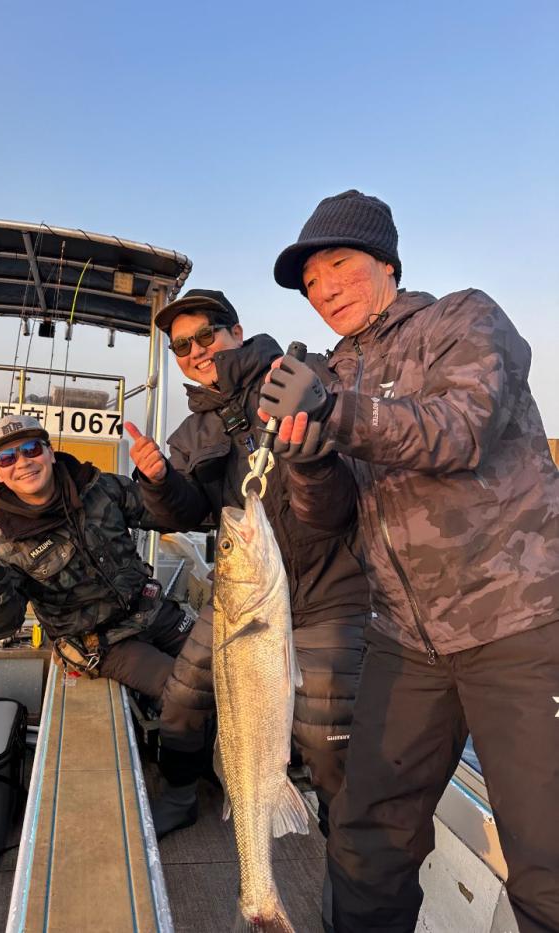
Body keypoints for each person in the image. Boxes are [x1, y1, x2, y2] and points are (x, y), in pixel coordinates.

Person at [257, 189, 559, 933]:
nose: (324, 289)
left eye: (339, 265)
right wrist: (307, 459)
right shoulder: (332, 372)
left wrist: (331, 411)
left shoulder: (462, 319)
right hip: (403, 639)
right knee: (365, 838)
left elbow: (460, 429)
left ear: (386, 263)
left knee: (548, 854)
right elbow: (328, 520)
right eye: (310, 281)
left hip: (517, 625)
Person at [125, 288, 370, 931]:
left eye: (205, 336)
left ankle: (346, 862)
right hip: (246, 593)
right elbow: (189, 512)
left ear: (235, 331)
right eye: (181, 346)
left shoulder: (297, 375)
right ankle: (181, 795)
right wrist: (158, 482)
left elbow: (345, 475)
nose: (194, 353)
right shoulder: (191, 431)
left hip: (327, 588)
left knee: (327, 738)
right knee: (182, 696)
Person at [0, 414, 214, 839]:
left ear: (49, 451)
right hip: (104, 642)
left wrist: (159, 480)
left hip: (153, 609)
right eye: (6, 458)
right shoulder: (3, 546)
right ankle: (181, 797)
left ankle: (208, 759)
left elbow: (168, 517)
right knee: (183, 692)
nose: (22, 462)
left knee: (228, 664)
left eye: (31, 449)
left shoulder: (99, 487)